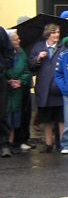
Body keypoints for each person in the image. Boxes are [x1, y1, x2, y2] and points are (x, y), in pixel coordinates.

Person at [28, 23, 65, 153]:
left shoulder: (63, 48)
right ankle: (48, 143)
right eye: (54, 32)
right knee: (46, 118)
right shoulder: (39, 47)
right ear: (48, 34)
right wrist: (38, 58)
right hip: (44, 88)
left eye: (58, 32)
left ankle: (62, 143)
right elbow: (31, 65)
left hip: (58, 88)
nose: (57, 35)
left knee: (61, 118)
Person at [5, 29, 32, 153]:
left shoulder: (21, 52)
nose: (19, 40)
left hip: (18, 90)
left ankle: (14, 142)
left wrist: (20, 81)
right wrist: (8, 81)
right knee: (6, 115)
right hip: (6, 90)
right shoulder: (4, 53)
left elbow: (27, 70)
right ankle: (6, 143)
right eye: (16, 39)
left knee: (17, 116)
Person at [0, 27, 15, 157]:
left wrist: (2, 65)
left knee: (2, 112)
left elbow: (9, 54)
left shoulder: (0, 32)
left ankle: (4, 144)